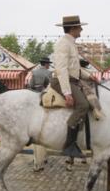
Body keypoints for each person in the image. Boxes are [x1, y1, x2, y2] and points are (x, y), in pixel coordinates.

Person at [50, 15, 99, 158]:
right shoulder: (63, 44)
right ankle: (69, 144)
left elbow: (74, 68)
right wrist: (67, 93)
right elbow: (61, 69)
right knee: (83, 105)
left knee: (91, 101)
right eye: (79, 27)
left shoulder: (70, 43)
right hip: (61, 81)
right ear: (73, 28)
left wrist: (89, 76)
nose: (81, 29)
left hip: (72, 80)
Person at [28, 57, 53, 172]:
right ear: (46, 64)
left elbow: (30, 85)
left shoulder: (34, 72)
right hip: (44, 96)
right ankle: (43, 157)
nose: (49, 65)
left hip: (34, 95)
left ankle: (38, 158)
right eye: (48, 63)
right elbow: (51, 86)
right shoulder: (49, 73)